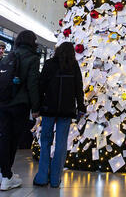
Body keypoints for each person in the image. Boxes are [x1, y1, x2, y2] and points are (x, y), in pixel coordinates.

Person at [33, 41, 86, 188]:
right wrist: (81, 107)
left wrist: (37, 107)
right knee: (61, 144)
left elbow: (41, 86)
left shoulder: (49, 64)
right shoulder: (74, 66)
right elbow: (78, 89)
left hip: (49, 109)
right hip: (66, 110)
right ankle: (56, 179)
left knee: (45, 142)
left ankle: (42, 177)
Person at [0, 30, 41, 191]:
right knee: (13, 140)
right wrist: (36, 107)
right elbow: (33, 84)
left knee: (4, 137)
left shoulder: (9, 56)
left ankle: (4, 173)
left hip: (3, 103)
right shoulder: (32, 58)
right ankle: (7, 176)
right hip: (19, 104)